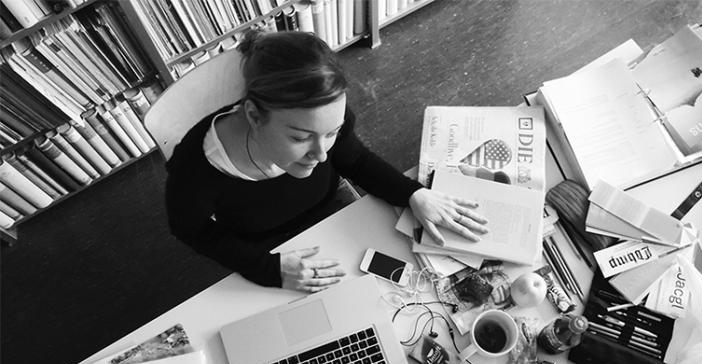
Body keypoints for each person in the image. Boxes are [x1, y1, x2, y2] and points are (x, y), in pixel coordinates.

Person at [165, 30, 488, 293]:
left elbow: (355, 160)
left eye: (331, 133)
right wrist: (268, 269)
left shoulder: (325, 118)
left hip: (332, 205)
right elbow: (190, 229)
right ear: (253, 115)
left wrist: (413, 194)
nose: (321, 156)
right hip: (264, 245)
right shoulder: (195, 169)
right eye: (300, 138)